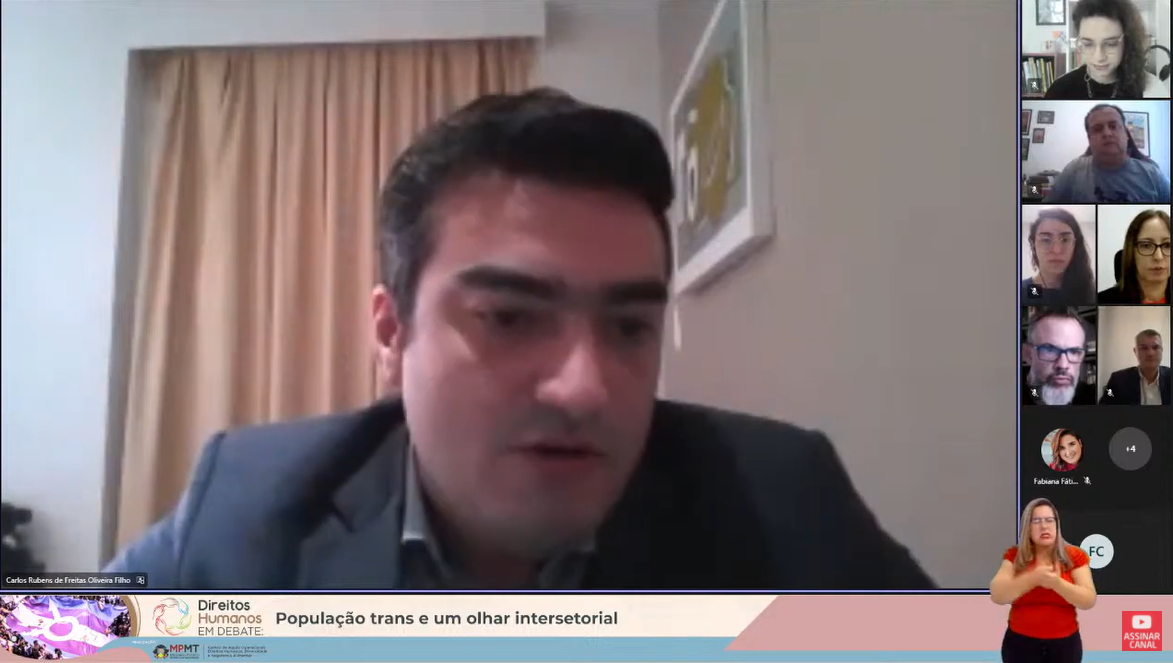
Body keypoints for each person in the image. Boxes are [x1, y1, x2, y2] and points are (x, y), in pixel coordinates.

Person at [102, 88, 936, 590]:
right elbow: (47, 636)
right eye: (508, 317)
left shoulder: (781, 501)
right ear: (391, 332)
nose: (585, 387)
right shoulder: (248, 505)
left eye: (629, 326)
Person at [990, 498, 1096, 663]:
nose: (1044, 526)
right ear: (1028, 527)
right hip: (1020, 644)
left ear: (1057, 525)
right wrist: (1033, 578)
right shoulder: (1015, 556)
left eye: (1049, 520)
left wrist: (1056, 583)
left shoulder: (1075, 556)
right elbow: (998, 595)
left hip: (1065, 646)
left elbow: (1088, 600)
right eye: (1036, 521)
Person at [1042, 104, 1171, 204]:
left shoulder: (1154, 176)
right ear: (1089, 139)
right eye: (1098, 129)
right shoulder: (1074, 171)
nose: (1107, 133)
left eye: (1113, 126)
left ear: (1126, 134)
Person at [1044, 0, 1168, 99]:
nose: (1099, 57)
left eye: (1110, 44)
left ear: (1127, 41)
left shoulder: (1152, 89)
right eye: (1088, 44)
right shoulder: (1059, 90)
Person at [1022, 308, 1097, 406]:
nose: (1063, 365)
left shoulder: (1091, 398)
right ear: (1028, 354)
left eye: (1074, 351)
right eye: (1050, 350)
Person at [1021, 209, 1096, 305]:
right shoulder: (1020, 292)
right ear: (1033, 244)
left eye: (1065, 240)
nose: (1056, 250)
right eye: (1046, 240)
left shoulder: (1089, 291)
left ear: (1074, 244)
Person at [1098, 209, 1172, 303]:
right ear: (1131, 252)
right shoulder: (1102, 301)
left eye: (1167, 245)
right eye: (1146, 245)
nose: (1158, 257)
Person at [1099, 329, 1170, 404]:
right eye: (1144, 348)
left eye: (1156, 347)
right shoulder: (1117, 380)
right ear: (1135, 351)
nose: (1150, 353)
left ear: (1162, 350)